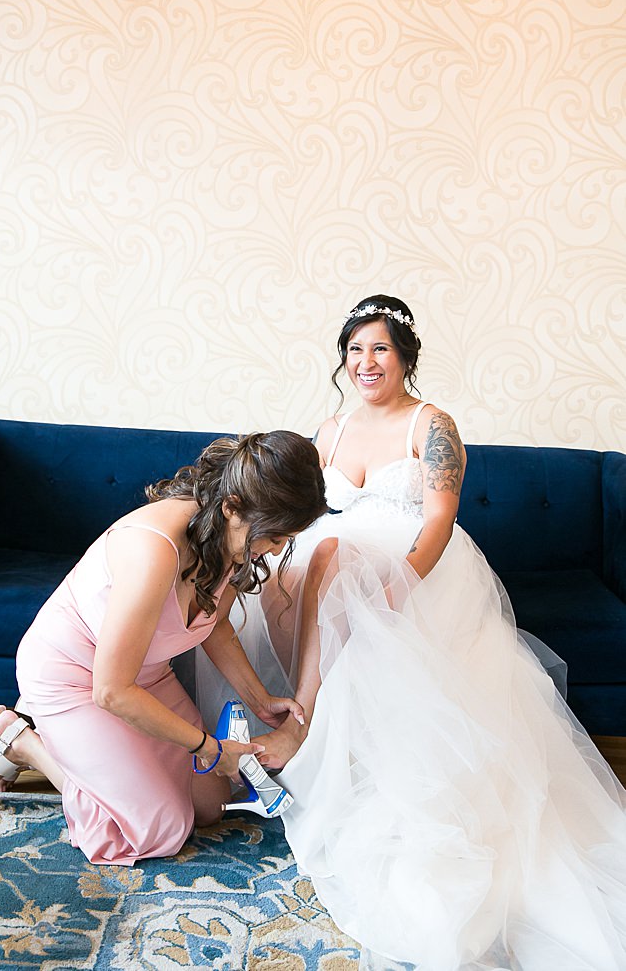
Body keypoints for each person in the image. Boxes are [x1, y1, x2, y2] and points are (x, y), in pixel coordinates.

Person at [206, 296, 626, 969]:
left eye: (380, 349)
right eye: (354, 350)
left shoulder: (432, 425)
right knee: (303, 564)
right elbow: (302, 511)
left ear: (404, 357)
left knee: (332, 560)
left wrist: (400, 582)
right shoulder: (330, 429)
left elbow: (437, 518)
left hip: (417, 565)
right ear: (342, 360)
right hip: (331, 568)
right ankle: (271, 732)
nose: (366, 362)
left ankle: (302, 725)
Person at [0, 431, 328, 866]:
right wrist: (208, 746)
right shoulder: (153, 550)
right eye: (273, 537)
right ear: (232, 507)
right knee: (160, 830)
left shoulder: (230, 539)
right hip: (77, 677)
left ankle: (69, 755)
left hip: (145, 677)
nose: (275, 550)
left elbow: (215, 624)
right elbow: (110, 691)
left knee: (210, 807)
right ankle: (20, 742)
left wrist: (261, 701)